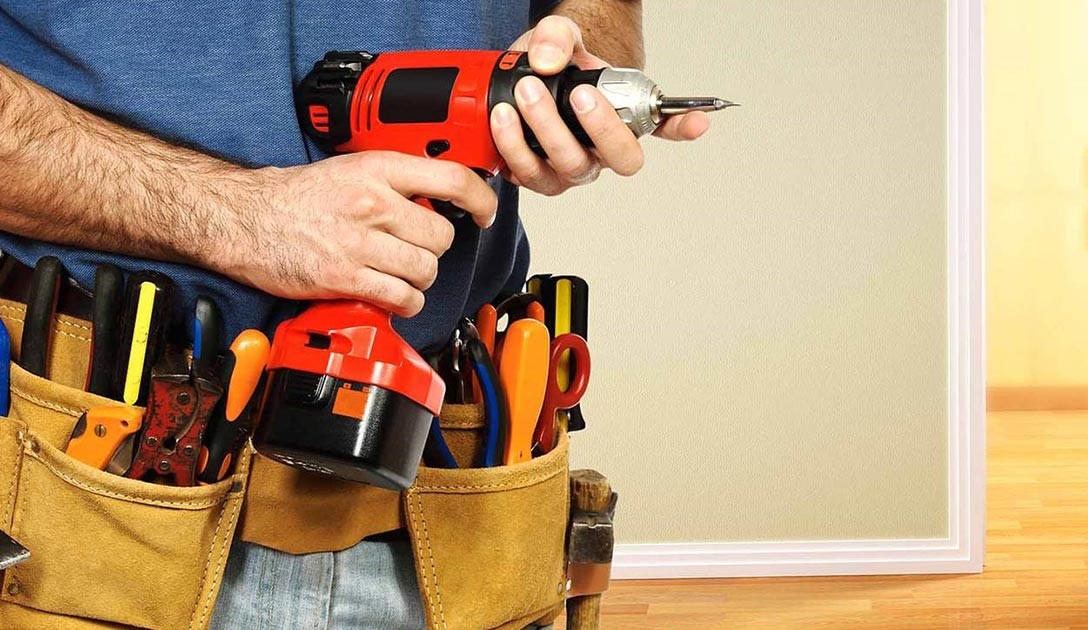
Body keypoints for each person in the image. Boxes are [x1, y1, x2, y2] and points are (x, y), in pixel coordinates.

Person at [0, 1, 708, 627]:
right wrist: (235, 215)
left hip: (452, 486)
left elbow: (602, 8)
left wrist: (576, 63)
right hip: (92, 464)